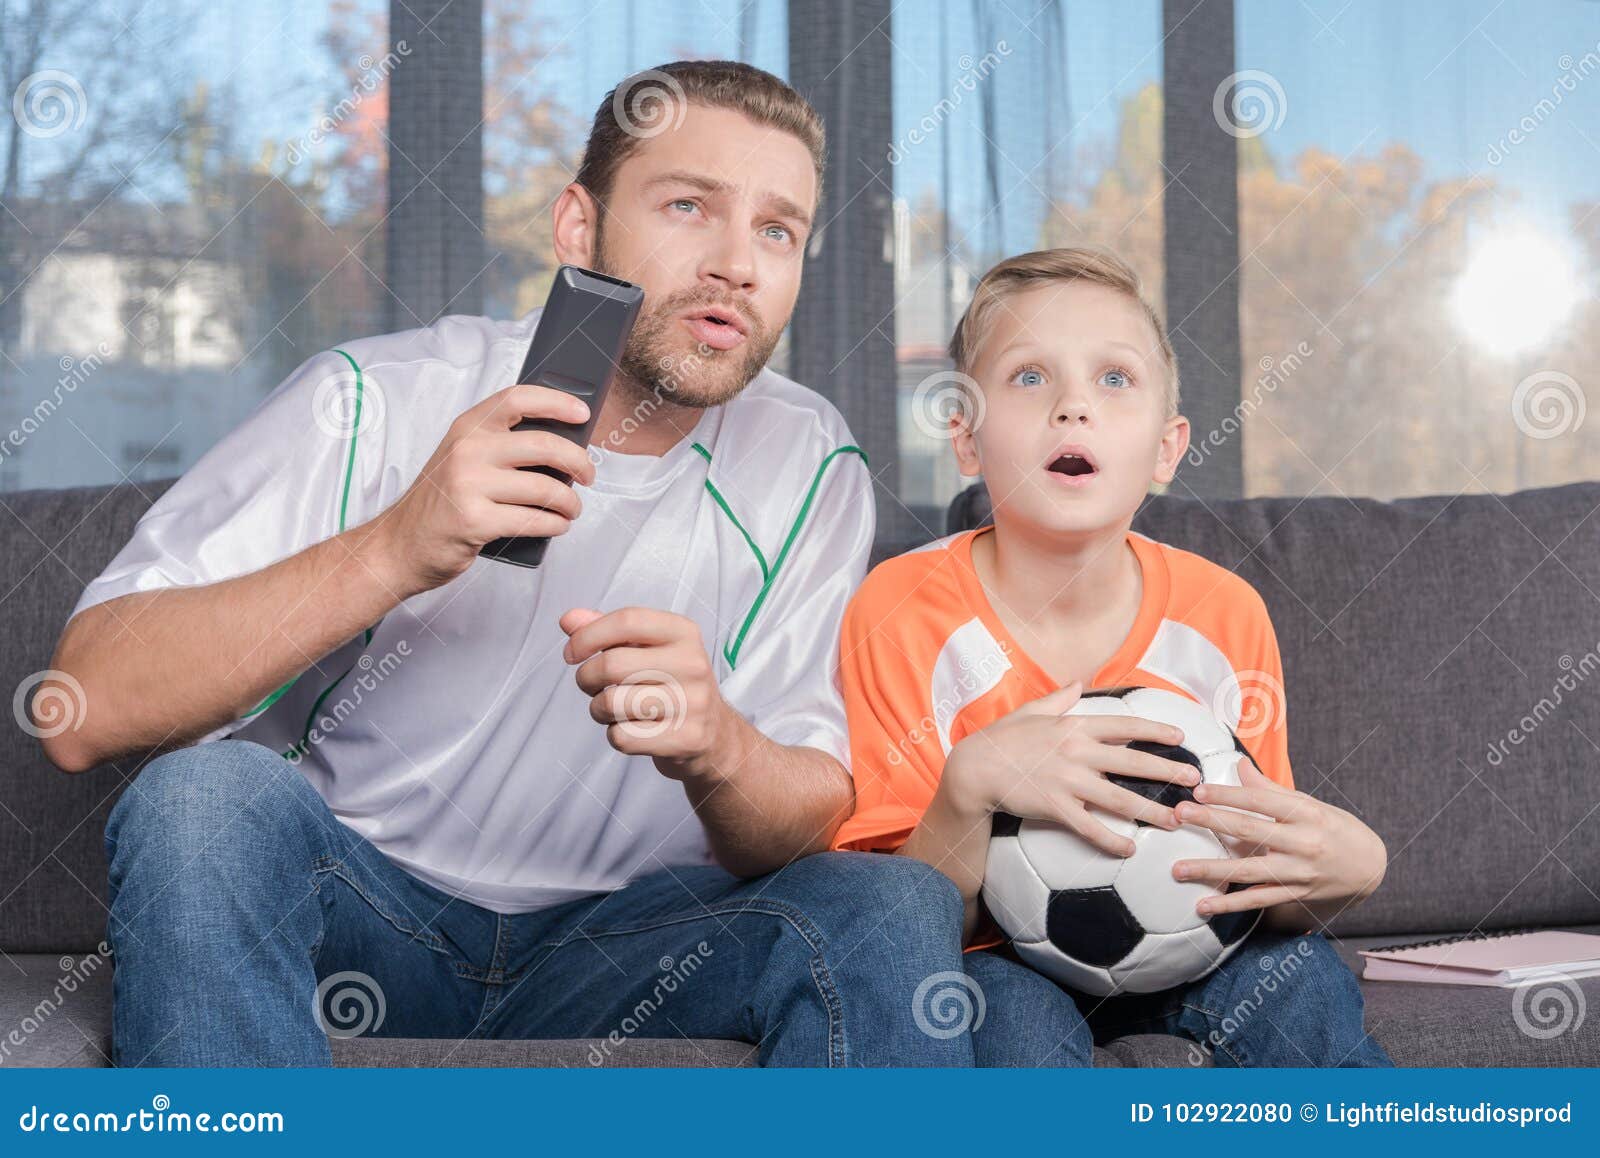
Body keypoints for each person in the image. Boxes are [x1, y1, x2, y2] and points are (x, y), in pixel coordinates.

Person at [36, 60, 971, 1068]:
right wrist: (395, 545)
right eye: (688, 206)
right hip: (363, 913)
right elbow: (81, 710)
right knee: (203, 802)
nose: (737, 263)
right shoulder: (372, 399)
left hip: (629, 946)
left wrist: (721, 747)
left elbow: (803, 819)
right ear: (578, 227)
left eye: (777, 230)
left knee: (887, 904)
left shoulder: (809, 458)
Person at [831, 247, 1393, 1067]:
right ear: (966, 437)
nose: (1072, 407)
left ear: (1167, 448)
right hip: (988, 959)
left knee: (1301, 981)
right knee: (1012, 1030)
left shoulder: (1224, 613)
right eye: (1029, 376)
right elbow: (897, 937)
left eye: (1115, 378)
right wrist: (968, 789)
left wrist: (1348, 873)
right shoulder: (900, 609)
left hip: (1195, 947)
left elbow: (1254, 880)